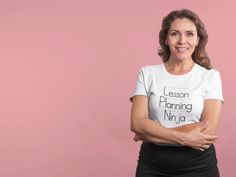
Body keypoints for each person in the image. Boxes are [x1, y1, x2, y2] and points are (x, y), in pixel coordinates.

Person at [130, 9, 223, 177]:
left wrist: (149, 132)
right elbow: (137, 124)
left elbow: (208, 131)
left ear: (198, 39)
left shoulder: (210, 77)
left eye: (189, 34)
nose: (182, 41)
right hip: (152, 166)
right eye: (175, 34)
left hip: (199, 167)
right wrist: (185, 138)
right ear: (166, 39)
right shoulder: (147, 73)